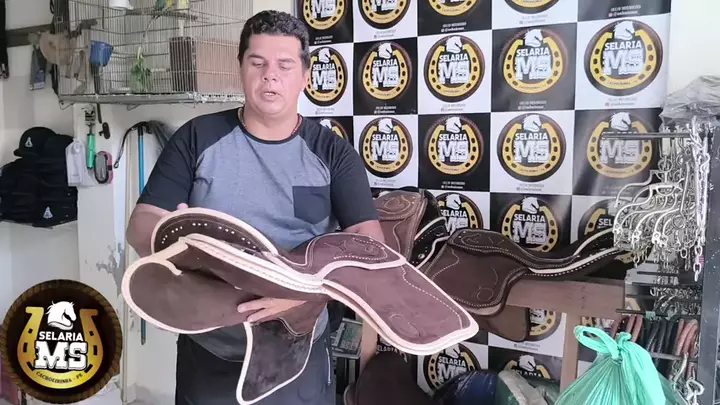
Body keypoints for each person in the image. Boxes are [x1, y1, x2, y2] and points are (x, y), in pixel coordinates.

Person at [126, 10, 384, 405]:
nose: (270, 76)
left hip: (298, 347)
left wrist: (303, 293)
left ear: (305, 76)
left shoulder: (333, 154)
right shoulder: (197, 138)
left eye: (284, 65)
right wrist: (180, 248)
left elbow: (369, 246)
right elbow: (142, 223)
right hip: (210, 345)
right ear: (241, 69)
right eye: (257, 62)